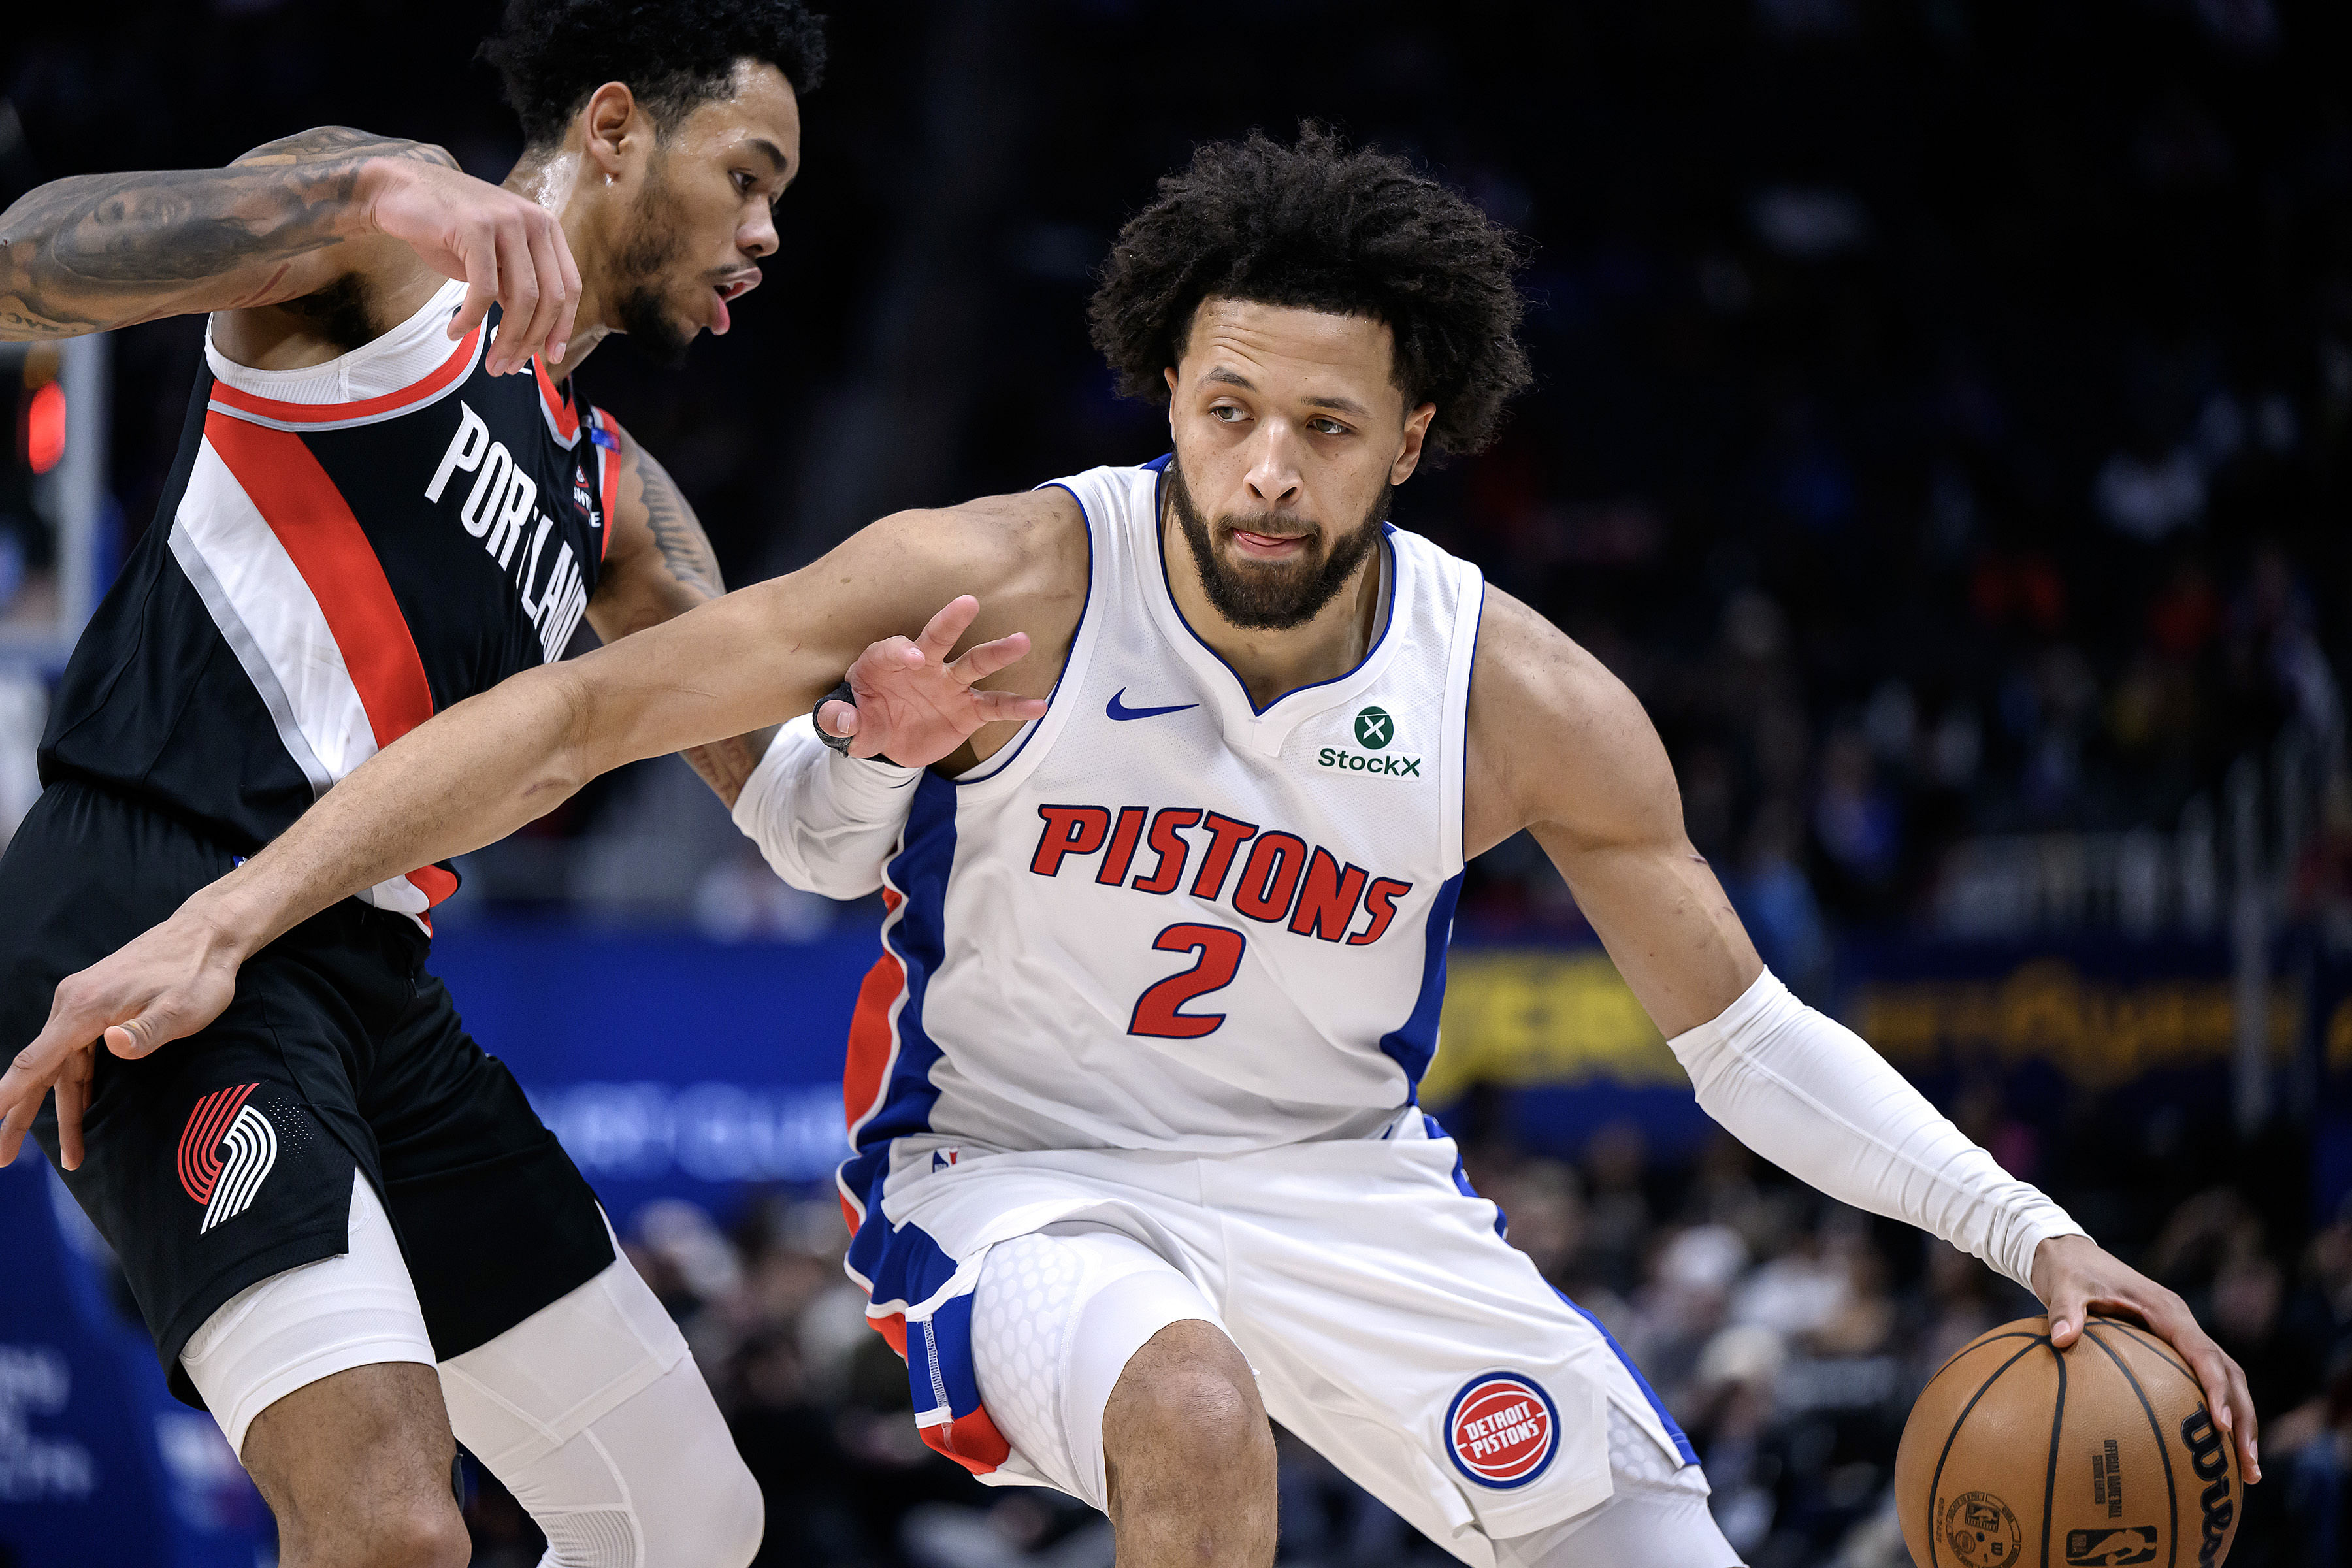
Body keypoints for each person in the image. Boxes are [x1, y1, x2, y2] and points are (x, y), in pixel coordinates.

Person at [2, 127, 2261, 1568]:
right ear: (1165, 395)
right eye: (1224, 411)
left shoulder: (1528, 698)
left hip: (1350, 1191)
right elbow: (579, 710)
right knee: (1184, 1405)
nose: (1264, 468)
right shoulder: (1007, 573)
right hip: (1019, 1178)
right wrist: (230, 911)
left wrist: (2028, 1233)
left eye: (1323, 428)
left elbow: (1745, 1042)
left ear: (1418, 442)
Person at [0, 5, 1024, 1565]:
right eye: (748, 178)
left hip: (368, 978)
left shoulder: (617, 499)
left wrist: (878, 743)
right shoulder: (382, 239)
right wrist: (361, 198)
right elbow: (29, 256)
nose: (763, 235)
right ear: (613, 127)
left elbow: (802, 836)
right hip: (156, 898)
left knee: (690, 1520)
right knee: (394, 1527)